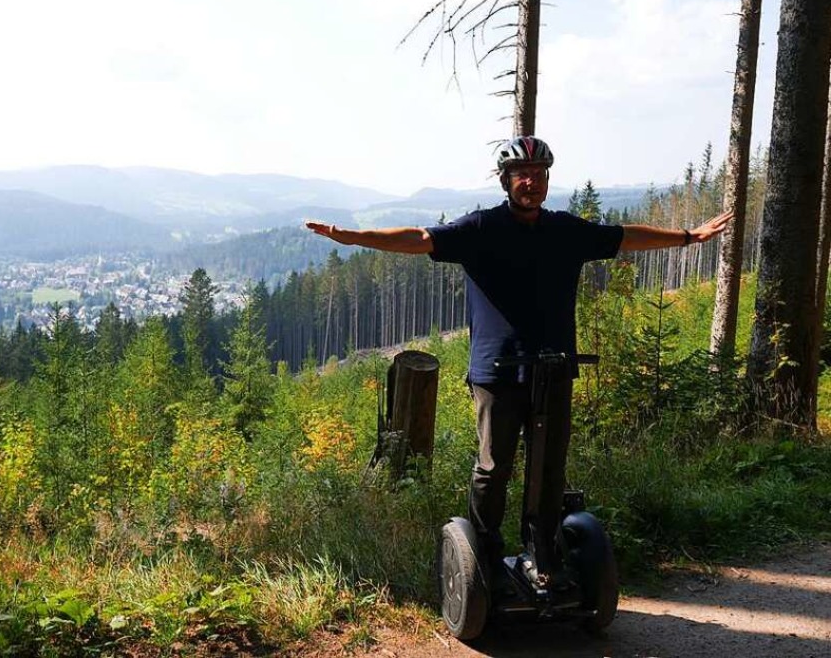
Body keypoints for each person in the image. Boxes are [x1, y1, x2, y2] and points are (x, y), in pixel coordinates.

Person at [306, 135, 731, 590]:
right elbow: (420, 238)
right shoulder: (481, 229)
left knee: (550, 467)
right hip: (497, 372)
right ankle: (484, 556)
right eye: (521, 175)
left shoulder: (565, 231)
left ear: (546, 180)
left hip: (554, 369)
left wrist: (688, 237)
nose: (530, 182)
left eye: (538, 174)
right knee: (494, 467)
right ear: (507, 181)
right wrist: (352, 238)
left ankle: (540, 551)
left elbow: (625, 237)